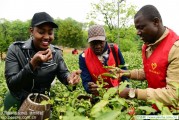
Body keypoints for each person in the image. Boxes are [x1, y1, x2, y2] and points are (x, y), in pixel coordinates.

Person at [4, 12, 81, 111]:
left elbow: (63, 73)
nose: (46, 37)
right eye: (41, 32)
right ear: (31, 31)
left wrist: (70, 79)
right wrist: (32, 65)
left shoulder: (56, 53)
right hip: (16, 100)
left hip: (42, 102)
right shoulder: (16, 49)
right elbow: (12, 84)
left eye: (50, 32)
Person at [119, 5, 179, 111]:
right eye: (136, 28)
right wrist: (124, 73)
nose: (138, 32)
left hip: (172, 112)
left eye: (141, 27)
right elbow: (151, 72)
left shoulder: (175, 49)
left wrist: (133, 92)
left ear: (156, 22)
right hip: (155, 106)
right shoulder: (148, 46)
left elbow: (174, 94)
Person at [79, 24, 128, 95]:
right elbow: (86, 80)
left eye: (101, 42)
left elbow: (124, 71)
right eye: (94, 43)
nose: (98, 46)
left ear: (105, 40)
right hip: (99, 95)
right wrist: (90, 87)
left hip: (118, 92)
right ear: (89, 43)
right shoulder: (83, 57)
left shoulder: (114, 50)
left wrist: (126, 89)